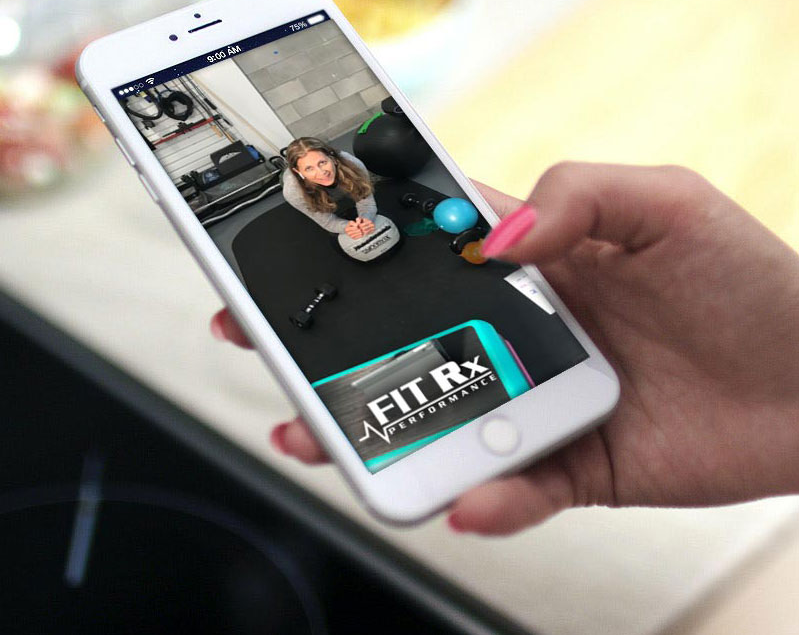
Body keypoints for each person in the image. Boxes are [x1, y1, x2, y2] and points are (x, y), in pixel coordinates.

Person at [211, 162, 799, 536]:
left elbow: (367, 200)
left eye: (322, 162)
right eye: (307, 168)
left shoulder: (360, 174)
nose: (316, 170)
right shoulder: (298, 200)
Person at [283, 137, 376, 240]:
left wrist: (364, 222)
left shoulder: (353, 164)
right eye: (309, 168)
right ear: (298, 172)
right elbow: (328, 221)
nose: (321, 172)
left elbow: (366, 202)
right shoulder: (292, 191)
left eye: (322, 163)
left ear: (333, 159)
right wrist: (347, 227)